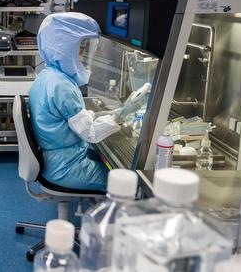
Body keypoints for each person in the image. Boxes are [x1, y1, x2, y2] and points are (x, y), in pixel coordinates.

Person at [28, 13, 150, 190]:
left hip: (57, 159)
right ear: (65, 48)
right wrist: (123, 114)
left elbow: (66, 118)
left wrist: (105, 113)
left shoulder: (47, 76)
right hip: (67, 168)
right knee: (131, 184)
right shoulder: (62, 85)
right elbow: (90, 134)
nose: (83, 51)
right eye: (80, 45)